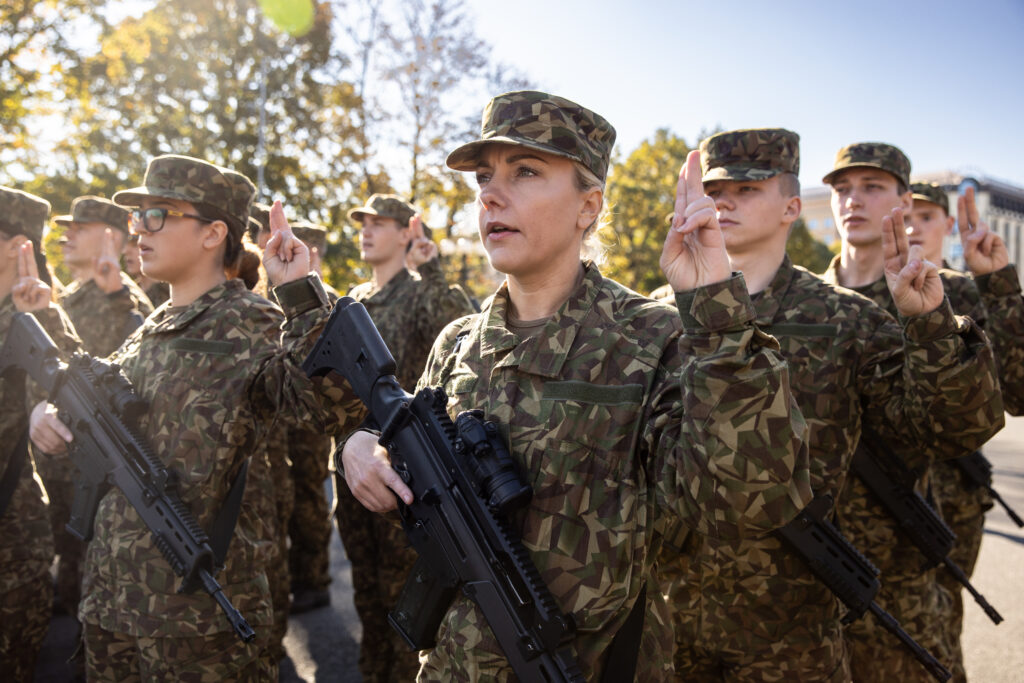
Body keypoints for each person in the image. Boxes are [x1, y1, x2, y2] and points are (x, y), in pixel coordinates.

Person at [339, 90, 814, 680]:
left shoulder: (655, 339)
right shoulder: (459, 342)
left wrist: (714, 311)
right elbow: (419, 486)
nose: (490, 193)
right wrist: (364, 445)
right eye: (484, 176)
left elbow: (746, 504)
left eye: (527, 172)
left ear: (588, 205)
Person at [654, 130, 1002, 681]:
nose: (723, 202)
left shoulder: (849, 319)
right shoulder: (655, 319)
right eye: (714, 189)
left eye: (745, 189)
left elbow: (951, 430)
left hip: (794, 632)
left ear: (792, 206)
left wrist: (930, 325)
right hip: (671, 625)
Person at [28, 154, 362, 680]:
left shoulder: (249, 319)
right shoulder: (153, 324)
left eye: (158, 214)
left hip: (200, 627)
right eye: (138, 216)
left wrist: (300, 294)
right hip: (112, 607)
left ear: (212, 234)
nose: (139, 229)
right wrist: (48, 415)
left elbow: (332, 404)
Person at [819, 143, 1004, 681]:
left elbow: (1007, 392)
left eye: (871, 187)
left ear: (903, 198)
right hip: (825, 541)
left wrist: (999, 286)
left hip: (926, 519)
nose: (853, 200)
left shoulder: (943, 292)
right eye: (842, 188)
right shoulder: (807, 299)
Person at [334, 193, 475, 681]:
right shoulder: (353, 300)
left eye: (380, 222)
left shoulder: (419, 293)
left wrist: (431, 269)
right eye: (363, 222)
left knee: (405, 601)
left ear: (405, 232)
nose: (367, 230)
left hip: (406, 471)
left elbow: (461, 324)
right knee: (366, 593)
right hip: (349, 463)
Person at [905, 181, 1024, 681]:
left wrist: (997, 282)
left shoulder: (966, 291)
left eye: (926, 217)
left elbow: (1017, 389)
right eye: (903, 214)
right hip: (854, 499)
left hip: (948, 497)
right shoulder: (828, 295)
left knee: (935, 632)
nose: (911, 226)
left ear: (948, 225)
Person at [46, 195, 156, 618]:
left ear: (111, 236)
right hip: (59, 459)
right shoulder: (68, 296)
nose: (67, 233)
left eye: (80, 226)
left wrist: (114, 296)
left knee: (94, 588)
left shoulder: (124, 297)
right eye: (67, 226)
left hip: (97, 466)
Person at [0, 186, 80, 682]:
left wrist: (43, 315)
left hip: (10, 542)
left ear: (15, 244)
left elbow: (68, 386)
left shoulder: (32, 317)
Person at [123, 232, 170, 307]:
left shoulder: (169, 290)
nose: (126, 251)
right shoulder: (129, 291)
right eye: (124, 245)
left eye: (135, 245)